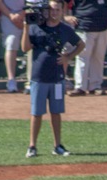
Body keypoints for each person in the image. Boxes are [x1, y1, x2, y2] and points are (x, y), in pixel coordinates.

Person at [23, 0, 84, 159]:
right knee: (36, 113)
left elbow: (81, 44)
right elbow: (24, 48)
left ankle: (57, 145)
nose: (54, 12)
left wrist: (68, 57)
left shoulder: (65, 29)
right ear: (47, 11)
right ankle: (32, 145)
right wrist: (25, 26)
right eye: (52, 10)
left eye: (57, 10)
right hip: (39, 77)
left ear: (62, 11)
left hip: (57, 78)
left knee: (56, 112)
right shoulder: (36, 28)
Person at [65, 0, 107, 96]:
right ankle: (80, 87)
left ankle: (95, 86)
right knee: (82, 56)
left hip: (106, 25)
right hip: (84, 24)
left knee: (99, 57)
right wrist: (65, 15)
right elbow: (63, 1)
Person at [0, 0, 25, 91]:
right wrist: (11, 16)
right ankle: (11, 80)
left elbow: (33, 2)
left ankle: (33, 79)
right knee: (11, 42)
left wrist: (22, 14)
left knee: (34, 43)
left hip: (28, 14)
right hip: (7, 16)